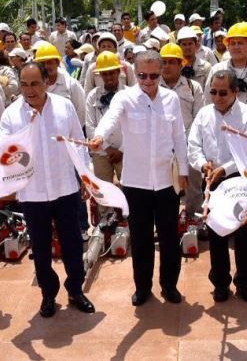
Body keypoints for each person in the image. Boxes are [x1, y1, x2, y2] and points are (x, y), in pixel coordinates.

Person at [90, 51, 189, 307]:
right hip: (135, 183)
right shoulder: (124, 98)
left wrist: (185, 171)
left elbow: (179, 136)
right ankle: (142, 287)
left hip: (167, 180)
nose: (148, 80)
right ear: (134, 73)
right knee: (141, 237)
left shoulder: (171, 99)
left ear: (161, 72)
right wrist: (100, 136)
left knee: (168, 237)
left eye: (154, 75)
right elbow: (110, 119)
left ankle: (169, 286)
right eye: (142, 75)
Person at [0, 63, 95, 318]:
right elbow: (4, 154)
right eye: (24, 84)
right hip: (33, 194)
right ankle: (48, 294)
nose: (29, 90)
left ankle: (76, 289)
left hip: (65, 188)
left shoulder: (65, 107)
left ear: (47, 82)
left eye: (35, 84)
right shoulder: (11, 115)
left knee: (73, 243)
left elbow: (79, 143)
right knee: (40, 249)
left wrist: (86, 177)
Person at [188, 70, 247, 302]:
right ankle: (220, 283)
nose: (217, 97)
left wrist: (224, 169)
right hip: (211, 179)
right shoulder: (203, 114)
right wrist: (202, 165)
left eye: (223, 93)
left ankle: (244, 282)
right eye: (213, 92)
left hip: (241, 179)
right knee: (216, 233)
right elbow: (193, 146)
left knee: (244, 235)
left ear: (235, 92)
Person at [160, 44, 204, 218]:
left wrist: (186, 142)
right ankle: (167, 220)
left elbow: (200, 118)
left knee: (193, 186)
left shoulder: (194, 87)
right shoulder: (152, 88)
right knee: (165, 187)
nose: (167, 66)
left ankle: (195, 218)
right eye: (164, 62)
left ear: (181, 64)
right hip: (162, 147)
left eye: (172, 62)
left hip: (189, 145)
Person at [85, 52, 126, 190]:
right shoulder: (92, 96)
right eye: (104, 74)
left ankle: (129, 212)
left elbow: (135, 127)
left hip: (125, 151)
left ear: (118, 71)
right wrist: (107, 148)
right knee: (103, 191)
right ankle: (105, 213)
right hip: (101, 152)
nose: (108, 77)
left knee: (130, 190)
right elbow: (90, 127)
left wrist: (121, 150)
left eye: (111, 73)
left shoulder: (129, 94)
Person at [33, 42, 87, 126]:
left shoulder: (71, 84)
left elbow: (81, 111)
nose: (46, 66)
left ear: (57, 63)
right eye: (42, 63)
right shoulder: (33, 86)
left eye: (49, 62)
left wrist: (71, 134)